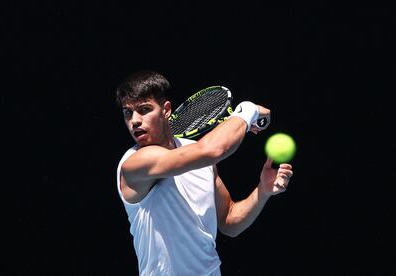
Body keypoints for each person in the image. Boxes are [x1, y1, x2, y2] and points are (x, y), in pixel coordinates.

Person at [115, 70, 293, 276]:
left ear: (166, 110)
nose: (135, 121)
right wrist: (246, 111)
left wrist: (262, 191)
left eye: (144, 110)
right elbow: (213, 150)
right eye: (128, 113)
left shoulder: (197, 156)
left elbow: (230, 221)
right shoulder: (135, 164)